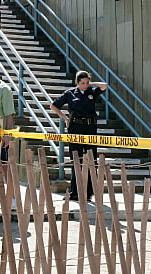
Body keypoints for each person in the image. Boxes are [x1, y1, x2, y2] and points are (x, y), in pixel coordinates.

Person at [50, 70, 107, 201]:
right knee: (76, 158)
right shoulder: (70, 93)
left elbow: (104, 86)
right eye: (82, 83)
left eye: (86, 83)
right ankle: (75, 191)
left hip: (90, 127)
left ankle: (89, 192)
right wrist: (65, 118)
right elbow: (54, 106)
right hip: (75, 127)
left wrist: (90, 83)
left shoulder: (92, 91)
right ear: (76, 82)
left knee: (91, 159)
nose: (85, 85)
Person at [0, 57, 15, 186]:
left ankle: (10, 196)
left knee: (3, 165)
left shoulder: (4, 89)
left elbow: (9, 115)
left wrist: (7, 135)